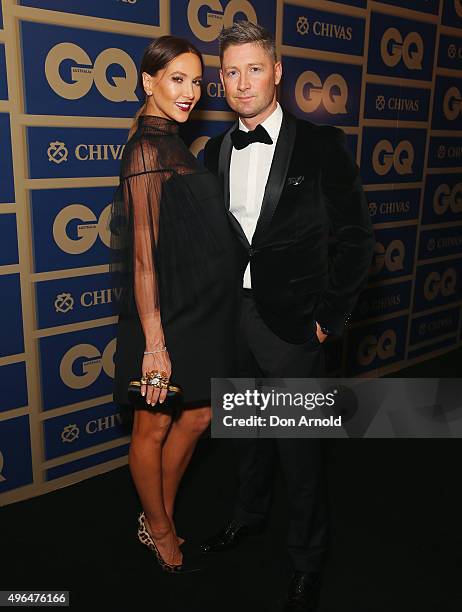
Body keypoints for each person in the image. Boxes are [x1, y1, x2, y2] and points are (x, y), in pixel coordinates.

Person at [200, 22, 375, 610]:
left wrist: (330, 318)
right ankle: (247, 517)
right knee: (247, 435)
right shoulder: (215, 151)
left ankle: (307, 560)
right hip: (234, 321)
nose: (242, 82)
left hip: (296, 326)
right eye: (230, 71)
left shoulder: (322, 146)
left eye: (254, 69)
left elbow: (357, 241)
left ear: (277, 73)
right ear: (220, 79)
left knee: (298, 451)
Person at [111, 36, 238, 574]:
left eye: (196, 83)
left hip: (203, 312)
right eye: (176, 80)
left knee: (201, 413)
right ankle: (158, 526)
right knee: (153, 427)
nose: (189, 94)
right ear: (149, 81)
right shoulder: (146, 149)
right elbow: (142, 259)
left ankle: (156, 508)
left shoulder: (174, 143)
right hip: (163, 316)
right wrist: (155, 345)